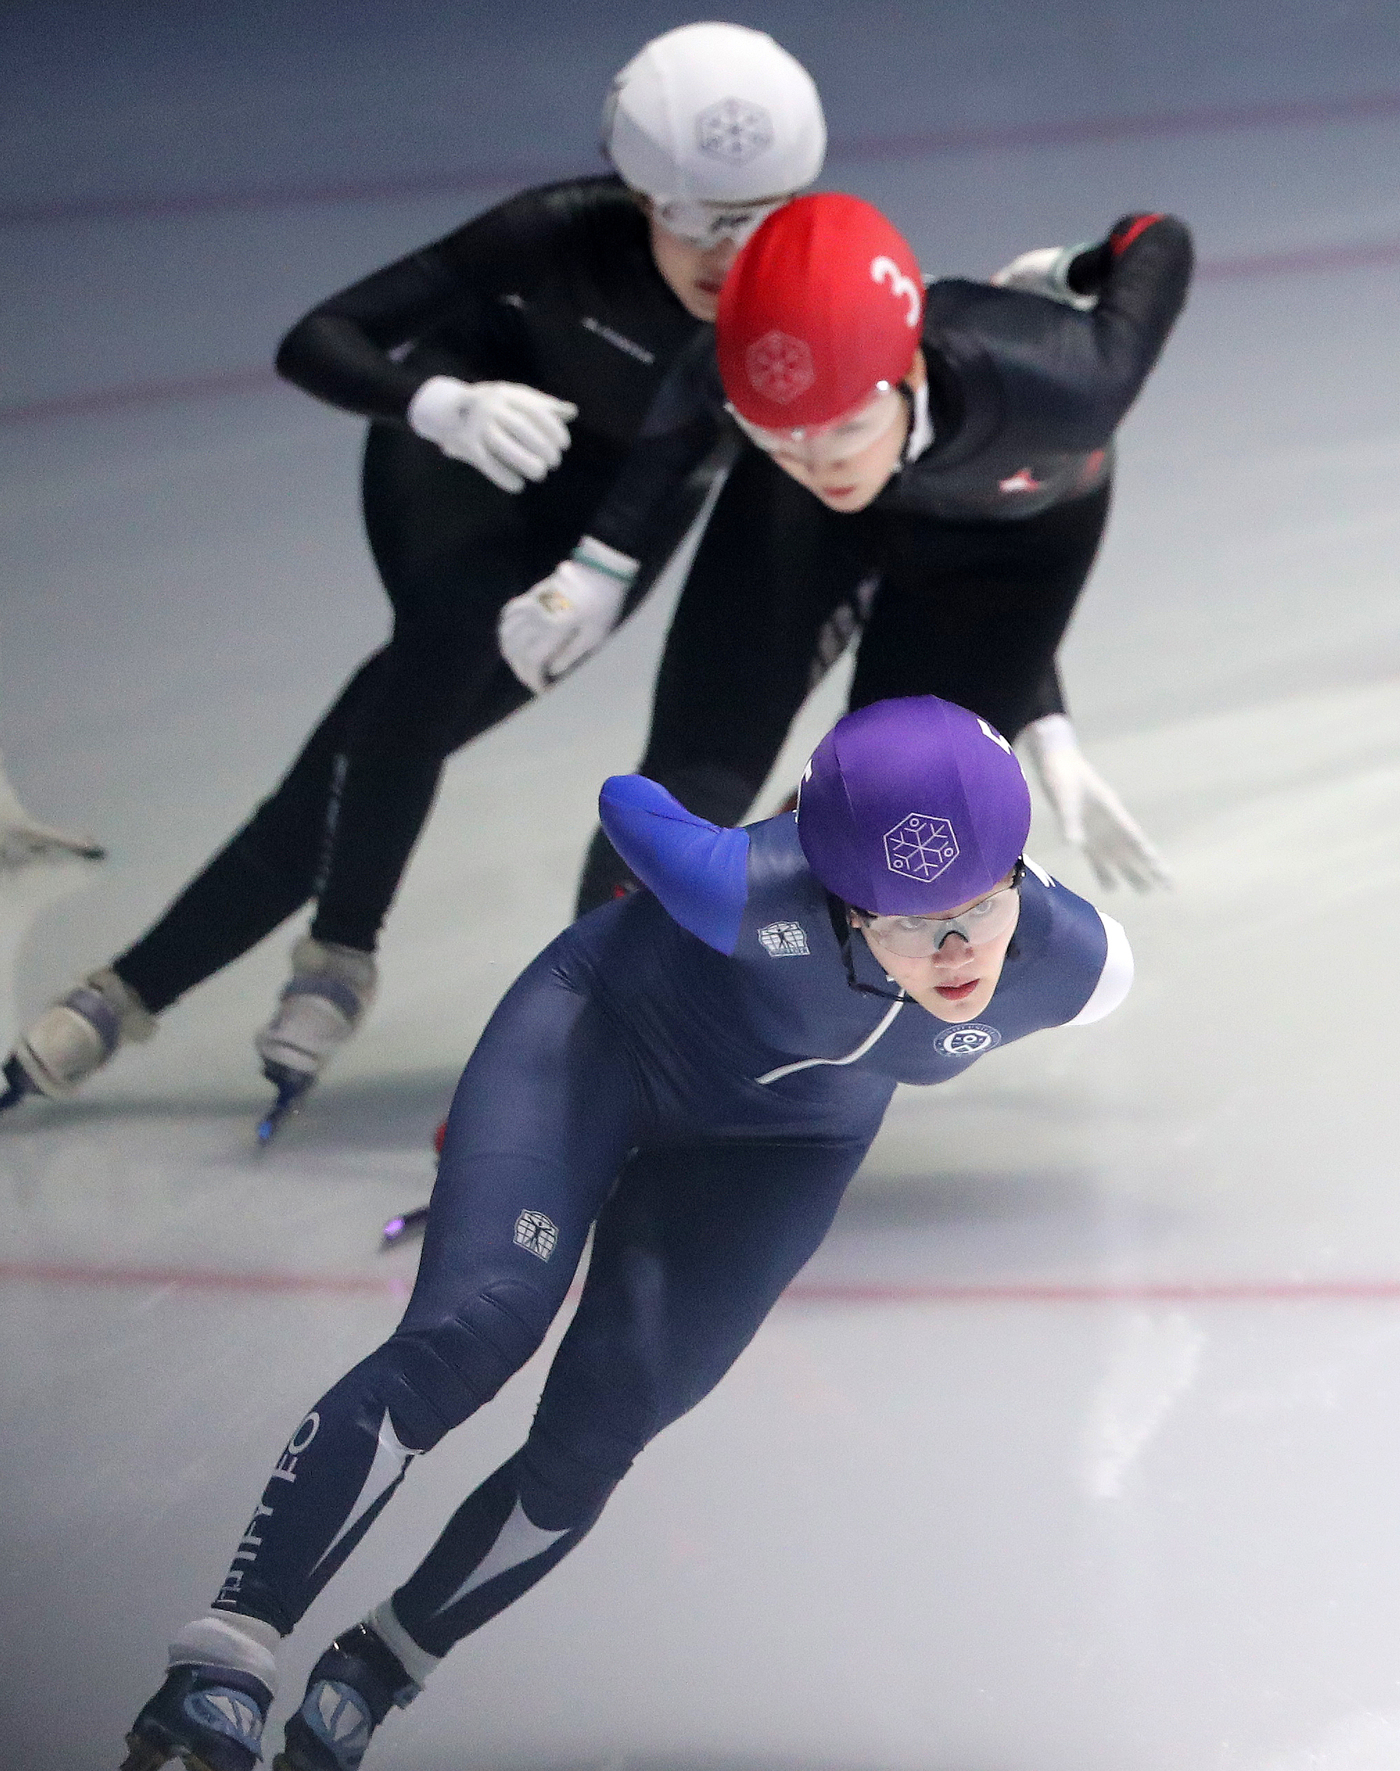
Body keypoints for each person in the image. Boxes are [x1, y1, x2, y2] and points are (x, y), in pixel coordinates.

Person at [51, 695, 1133, 1771]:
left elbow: (998, 927)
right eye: (909, 925)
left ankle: (384, 1660)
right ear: (836, 896)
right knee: (478, 1324)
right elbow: (629, 802)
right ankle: (227, 1651)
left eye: (978, 906)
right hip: (602, 1038)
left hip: (780, 1148)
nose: (957, 952)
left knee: (602, 1424)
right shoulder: (747, 883)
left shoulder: (1075, 962)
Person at [0, 22, 825, 1127]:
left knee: (378, 740)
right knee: (441, 636)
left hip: (615, 523)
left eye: (750, 225)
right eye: (694, 225)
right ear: (637, 195)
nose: (725, 260)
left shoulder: (808, 277)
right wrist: (440, 405)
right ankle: (339, 949)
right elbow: (318, 337)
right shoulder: (553, 231)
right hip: (464, 455)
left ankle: (132, 989)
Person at [498, 192, 1192, 909]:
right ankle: (607, 997)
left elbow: (1158, 237)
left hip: (1006, 546)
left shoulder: (1067, 380)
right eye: (779, 436)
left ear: (911, 372)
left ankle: (783, 950)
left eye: (849, 426)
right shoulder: (761, 381)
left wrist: (1075, 270)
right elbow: (685, 421)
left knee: (885, 821)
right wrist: (600, 565)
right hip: (806, 521)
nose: (823, 461)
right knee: (693, 781)